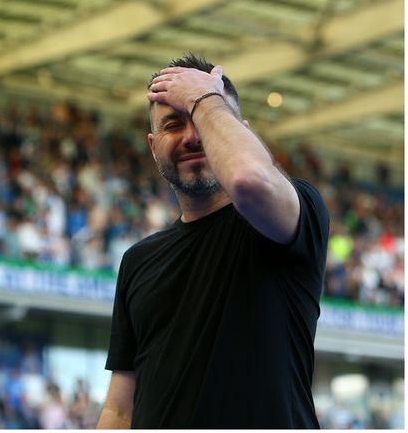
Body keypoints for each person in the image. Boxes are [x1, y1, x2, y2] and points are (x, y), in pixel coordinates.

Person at [98, 53, 329, 428]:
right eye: (174, 125)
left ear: (244, 133)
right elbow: (120, 408)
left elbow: (249, 179)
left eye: (204, 119)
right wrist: (206, 103)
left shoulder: (293, 213)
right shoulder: (138, 260)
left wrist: (203, 98)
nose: (192, 136)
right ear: (154, 146)